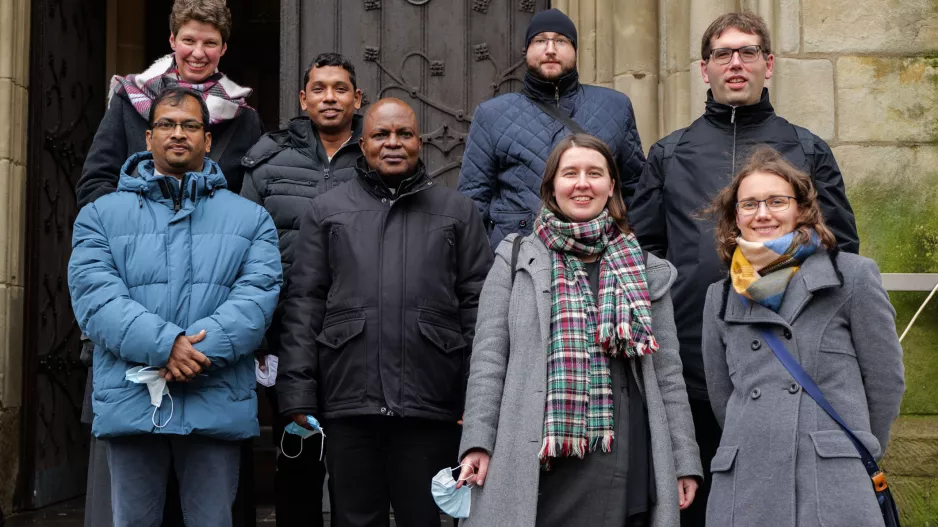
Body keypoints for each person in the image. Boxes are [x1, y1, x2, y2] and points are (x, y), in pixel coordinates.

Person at [626, 12, 860, 525]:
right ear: (705, 68)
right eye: (723, 54)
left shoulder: (807, 148)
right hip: (690, 363)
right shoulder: (670, 153)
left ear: (768, 64)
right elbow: (640, 253)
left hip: (784, 371)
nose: (736, 63)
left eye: (748, 52)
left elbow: (838, 249)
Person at [458, 134, 702, 527]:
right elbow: (489, 357)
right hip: (529, 447)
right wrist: (477, 441)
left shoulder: (644, 267)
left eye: (595, 173)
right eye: (570, 173)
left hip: (619, 446)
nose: (582, 183)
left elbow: (668, 374)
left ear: (611, 187)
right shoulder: (516, 256)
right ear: (552, 186)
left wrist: (682, 461)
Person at [67, 86, 282, 527]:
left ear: (207, 138)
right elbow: (94, 295)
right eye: (166, 124)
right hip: (132, 396)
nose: (177, 134)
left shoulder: (251, 218)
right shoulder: (100, 215)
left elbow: (258, 296)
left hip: (214, 394)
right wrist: (165, 345)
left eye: (190, 125)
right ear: (148, 139)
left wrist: (193, 352)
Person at [276, 98, 493, 527]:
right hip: (349, 401)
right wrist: (298, 392)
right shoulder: (327, 210)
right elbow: (304, 302)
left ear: (419, 143)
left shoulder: (458, 212)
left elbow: (478, 309)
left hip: (431, 402)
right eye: (381, 135)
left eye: (404, 134)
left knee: (424, 519)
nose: (393, 143)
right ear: (363, 143)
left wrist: (477, 396)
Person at [699, 146, 904, 526]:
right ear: (735, 218)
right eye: (749, 205)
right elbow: (722, 394)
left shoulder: (851, 277)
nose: (763, 214)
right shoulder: (721, 294)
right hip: (747, 483)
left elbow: (885, 380)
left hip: (828, 482)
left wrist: (846, 447)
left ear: (801, 209)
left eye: (777, 201)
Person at [240, 51, 363, 527]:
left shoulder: (378, 157)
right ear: (303, 98)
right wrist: (257, 338)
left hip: (358, 335)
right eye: (319, 88)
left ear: (356, 98)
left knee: (356, 465)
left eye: (339, 88)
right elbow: (242, 250)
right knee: (297, 459)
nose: (329, 97)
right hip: (288, 337)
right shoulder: (268, 162)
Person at [457, 8, 645, 250]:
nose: (550, 49)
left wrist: (634, 251)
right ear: (527, 51)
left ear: (575, 50)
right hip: (520, 257)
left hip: (600, 253)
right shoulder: (492, 114)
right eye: (540, 40)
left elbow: (636, 191)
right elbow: (473, 201)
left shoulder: (615, 107)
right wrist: (484, 269)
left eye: (560, 40)